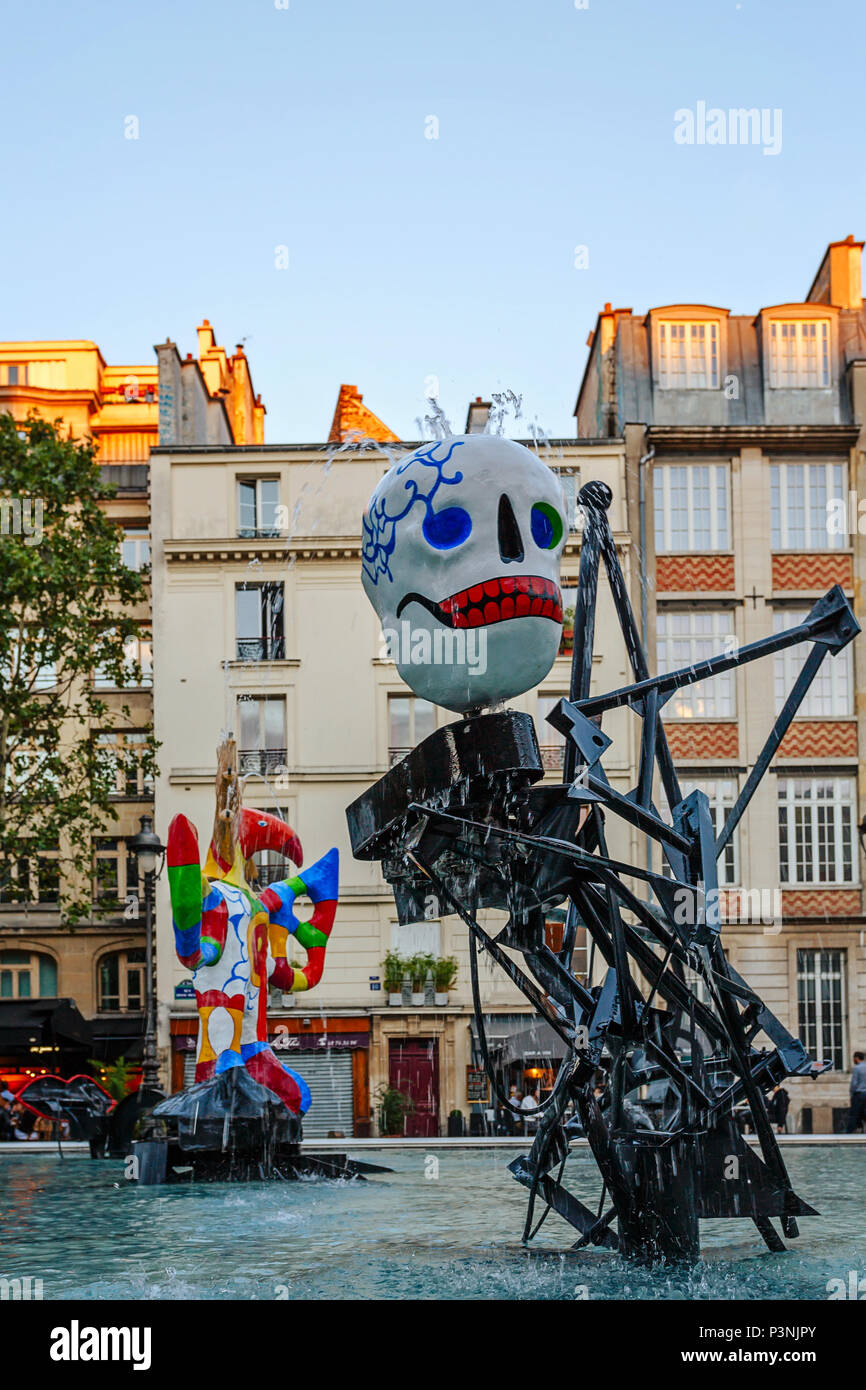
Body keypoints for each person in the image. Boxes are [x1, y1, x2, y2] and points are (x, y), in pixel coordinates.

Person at [846, 1051, 866, 1133]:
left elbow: (854, 1083)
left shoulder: (857, 1068)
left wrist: (851, 1094)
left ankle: (851, 1132)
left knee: (854, 1114)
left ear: (856, 1058)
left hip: (859, 1094)